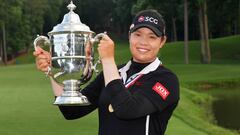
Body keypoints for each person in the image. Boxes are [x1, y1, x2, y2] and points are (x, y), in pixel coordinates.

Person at [33, 9, 179, 135]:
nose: (143, 42)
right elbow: (71, 112)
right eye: (138, 34)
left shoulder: (166, 80)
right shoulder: (114, 74)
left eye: (152, 37)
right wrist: (53, 70)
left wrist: (108, 60)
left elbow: (127, 110)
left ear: (162, 42)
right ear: (130, 36)